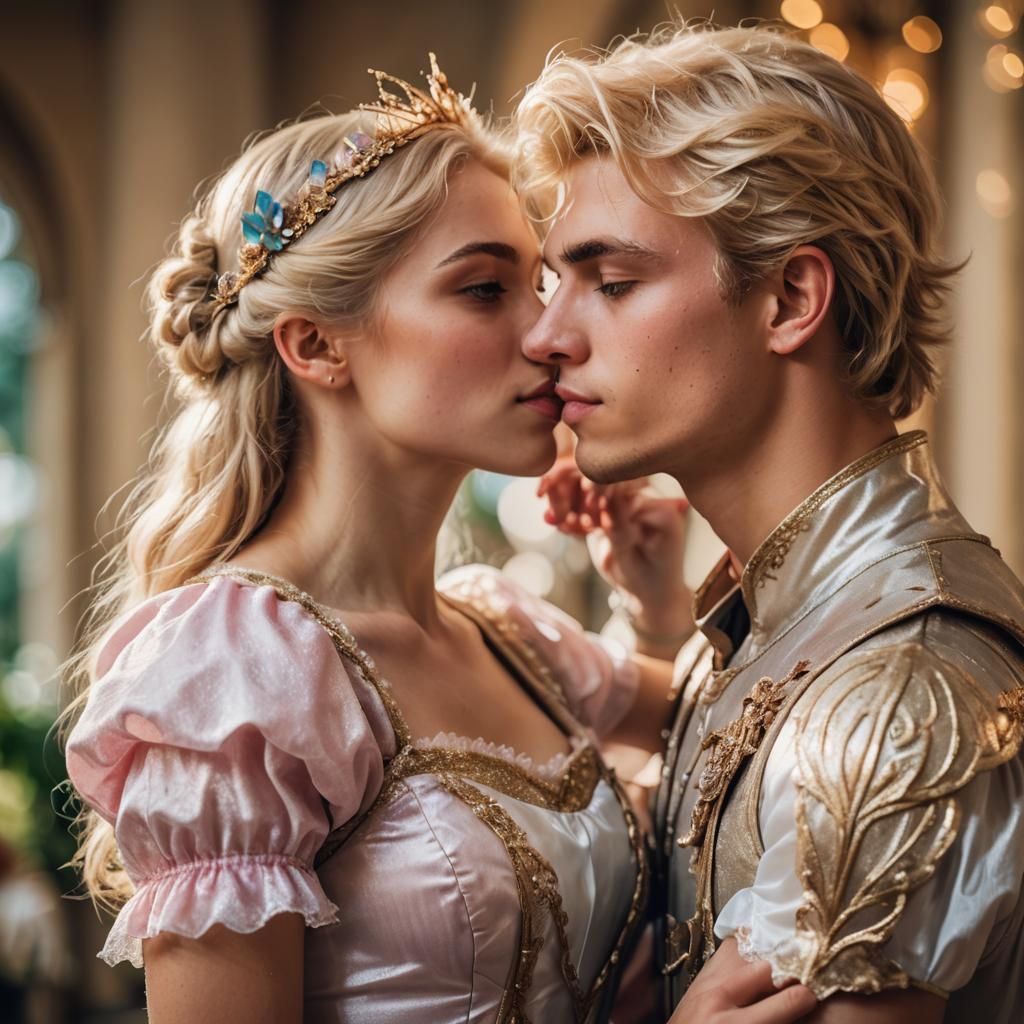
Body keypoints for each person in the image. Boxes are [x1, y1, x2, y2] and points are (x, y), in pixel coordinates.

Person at [61, 56, 815, 1024]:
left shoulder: (508, 633)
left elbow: (741, 744)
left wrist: (656, 606)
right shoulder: (235, 676)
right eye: (482, 289)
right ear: (316, 344)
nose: (548, 331)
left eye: (537, 282)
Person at [514, 21, 1024, 1024]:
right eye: (547, 282)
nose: (543, 335)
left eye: (609, 282)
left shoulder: (893, 690)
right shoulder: (767, 624)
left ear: (791, 296)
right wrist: (660, 619)